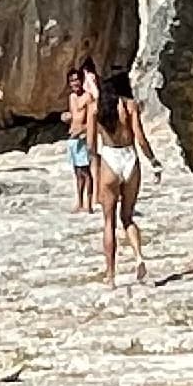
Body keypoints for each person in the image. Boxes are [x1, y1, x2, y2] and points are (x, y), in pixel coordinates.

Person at [91, 66, 157, 286]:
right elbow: (140, 137)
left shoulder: (97, 109)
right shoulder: (129, 106)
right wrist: (154, 161)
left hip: (109, 158)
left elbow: (91, 147)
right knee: (127, 217)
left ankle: (110, 276)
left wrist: (95, 173)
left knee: (108, 222)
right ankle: (139, 257)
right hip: (130, 158)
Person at [63, 53, 99, 213]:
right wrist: (66, 118)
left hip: (83, 138)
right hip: (72, 138)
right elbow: (74, 117)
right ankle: (79, 201)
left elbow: (92, 120)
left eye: (76, 80)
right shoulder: (71, 97)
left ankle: (89, 204)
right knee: (77, 173)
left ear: (81, 81)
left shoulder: (88, 97)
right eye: (71, 81)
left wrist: (83, 131)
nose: (74, 83)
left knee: (86, 172)